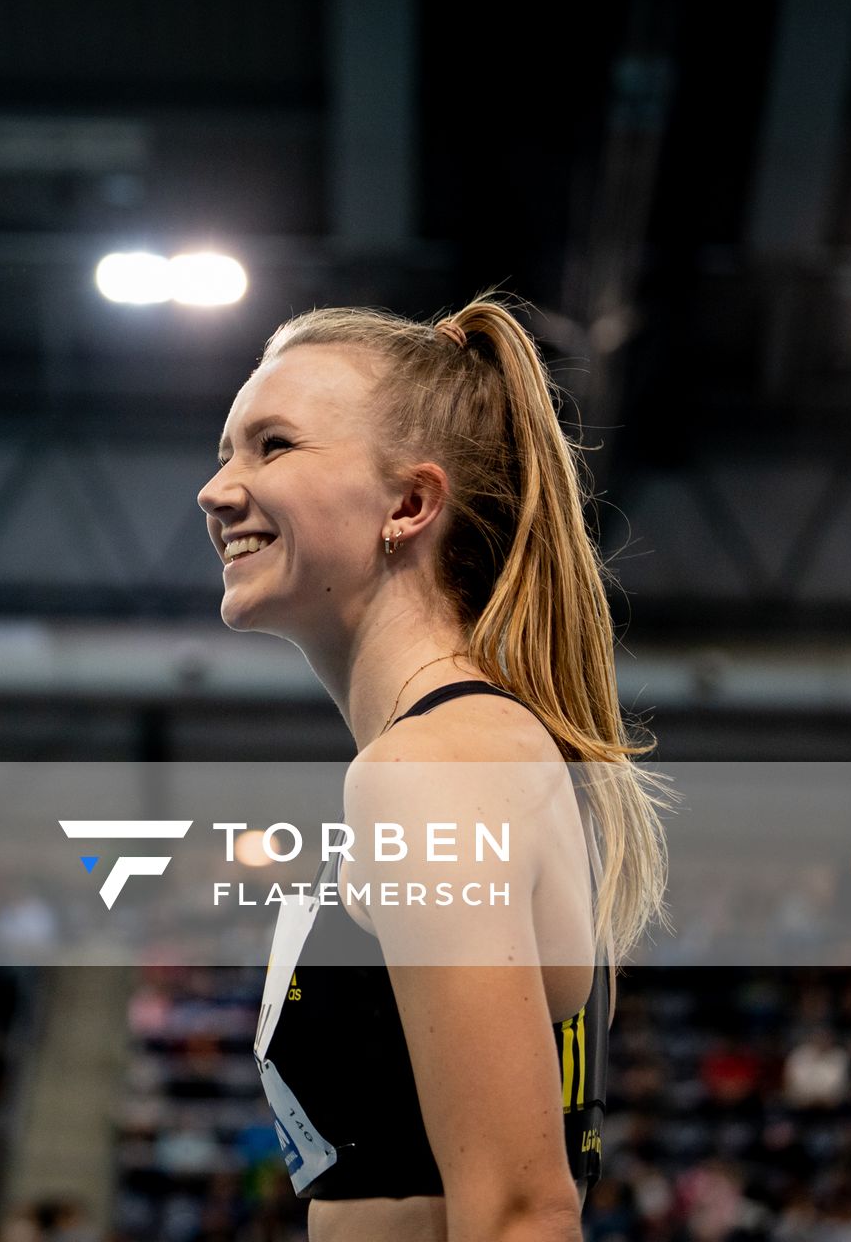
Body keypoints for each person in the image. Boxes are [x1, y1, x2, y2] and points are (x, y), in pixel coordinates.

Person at [196, 296, 671, 1241]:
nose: (217, 489)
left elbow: (522, 1216)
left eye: (273, 445)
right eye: (225, 450)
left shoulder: (435, 766)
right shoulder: (470, 752)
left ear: (410, 504)